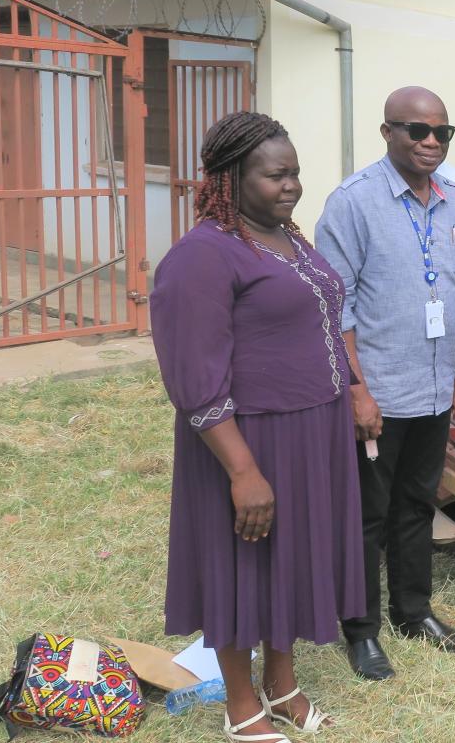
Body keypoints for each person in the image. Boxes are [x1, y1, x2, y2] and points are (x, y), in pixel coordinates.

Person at [150, 112, 363, 742]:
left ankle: (283, 683)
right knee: (241, 565)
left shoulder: (287, 238)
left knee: (290, 559)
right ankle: (241, 705)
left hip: (310, 432)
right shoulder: (201, 256)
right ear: (230, 178)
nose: (291, 185)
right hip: (247, 440)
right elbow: (193, 375)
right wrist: (242, 470)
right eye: (275, 175)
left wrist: (352, 392)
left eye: (295, 172)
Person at [316, 86, 455, 682]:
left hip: (435, 387)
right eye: (417, 130)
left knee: (417, 505)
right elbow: (335, 309)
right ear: (388, 132)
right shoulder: (353, 203)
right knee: (367, 515)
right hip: (378, 394)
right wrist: (357, 391)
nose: (431, 141)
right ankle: (361, 632)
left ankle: (414, 613)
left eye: (442, 132)